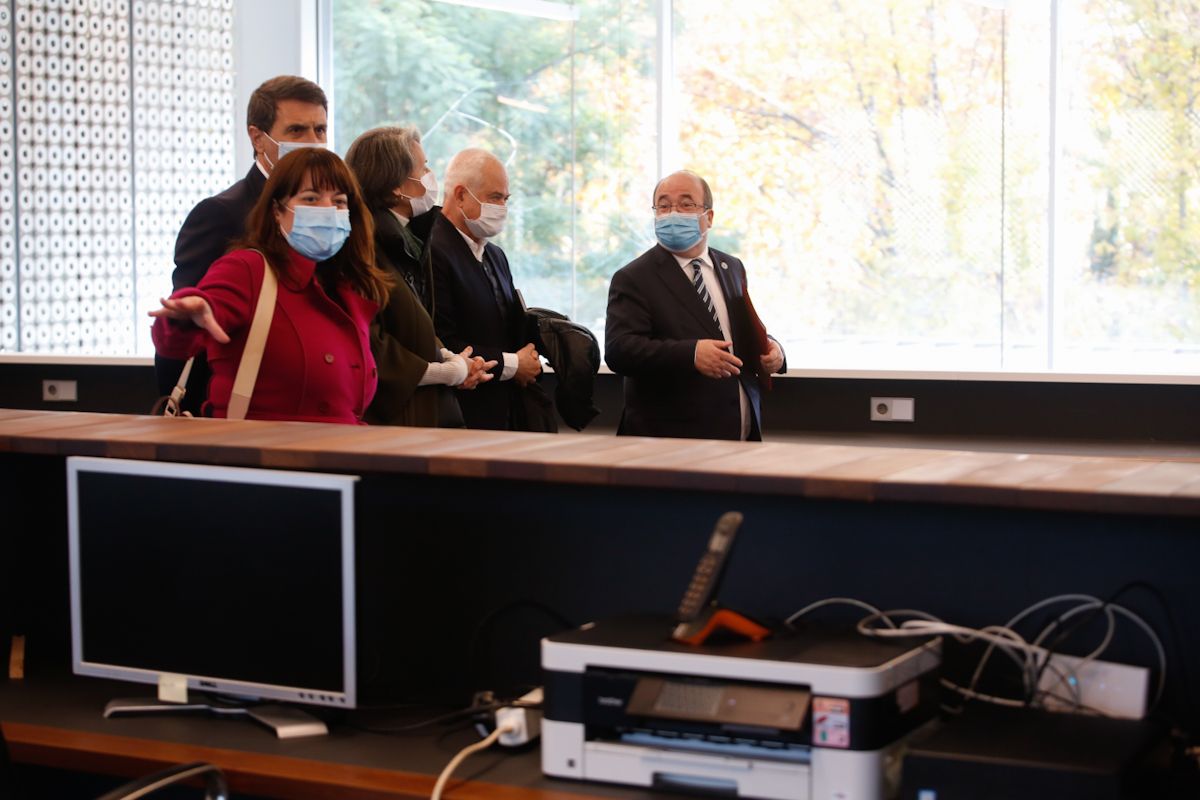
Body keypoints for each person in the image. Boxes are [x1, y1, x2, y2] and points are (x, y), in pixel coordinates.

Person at [150, 148, 391, 424]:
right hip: (264, 456)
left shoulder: (347, 285)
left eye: (338, 201)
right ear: (277, 210)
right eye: (311, 198)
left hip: (339, 456)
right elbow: (183, 334)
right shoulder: (248, 268)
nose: (327, 210)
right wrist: (190, 316)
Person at [155, 75, 330, 414]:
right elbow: (189, 320)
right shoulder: (221, 213)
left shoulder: (330, 211)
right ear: (258, 138)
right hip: (236, 410)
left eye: (320, 130)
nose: (312, 142)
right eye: (297, 131)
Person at [605, 170, 786, 441]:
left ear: (709, 217)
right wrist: (691, 354)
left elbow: (734, 330)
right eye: (664, 206)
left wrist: (773, 349)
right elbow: (620, 350)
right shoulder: (633, 277)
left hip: (741, 432)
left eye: (686, 204)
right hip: (671, 439)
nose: (673, 213)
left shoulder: (731, 267)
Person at [344, 126, 494, 427]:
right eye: (423, 167)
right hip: (395, 419)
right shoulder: (361, 246)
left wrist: (452, 359)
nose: (430, 174)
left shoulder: (411, 237)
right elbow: (372, 344)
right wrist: (449, 371)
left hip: (426, 410)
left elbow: (416, 326)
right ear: (395, 186)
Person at [428, 148, 545, 431]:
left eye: (506, 199)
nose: (502, 208)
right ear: (460, 195)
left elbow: (505, 323)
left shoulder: (495, 254)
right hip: (459, 413)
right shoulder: (432, 249)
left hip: (505, 411)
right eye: (495, 198)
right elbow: (442, 338)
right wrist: (513, 364)